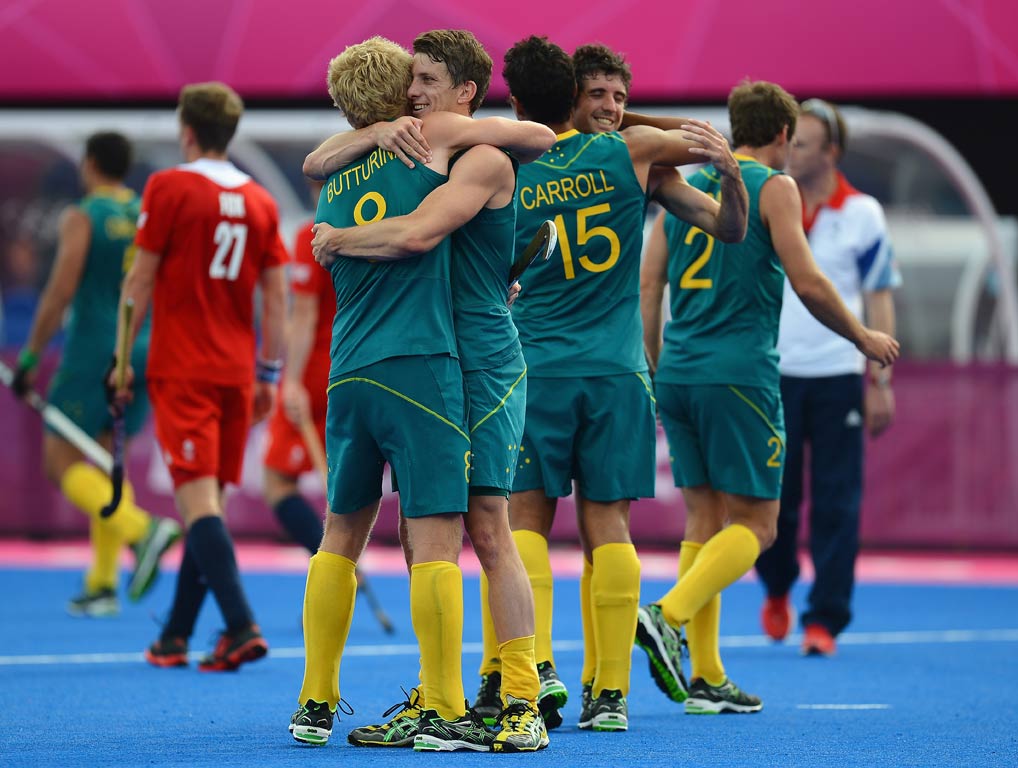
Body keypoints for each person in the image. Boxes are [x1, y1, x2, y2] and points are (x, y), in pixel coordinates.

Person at [288, 35, 552, 753]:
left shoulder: (469, 151)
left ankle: (520, 693)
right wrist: (372, 135)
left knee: (487, 525)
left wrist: (337, 236)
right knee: (425, 533)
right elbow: (328, 162)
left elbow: (420, 229)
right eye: (410, 82)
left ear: (466, 91)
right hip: (428, 363)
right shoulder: (408, 145)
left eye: (428, 81)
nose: (415, 95)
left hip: (475, 364)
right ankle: (445, 698)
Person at [495, 35, 749, 732]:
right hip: (613, 372)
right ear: (573, 99)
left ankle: (538, 670)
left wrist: (722, 179)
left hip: (537, 369)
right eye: (599, 95)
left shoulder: (516, 164)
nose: (612, 107)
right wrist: (725, 170)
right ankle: (607, 693)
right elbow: (727, 222)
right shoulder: (630, 156)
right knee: (604, 527)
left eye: (620, 97)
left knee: (528, 523)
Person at [636, 81, 899, 714]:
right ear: (781, 136)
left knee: (703, 518)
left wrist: (656, 365)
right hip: (741, 372)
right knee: (758, 523)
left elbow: (649, 283)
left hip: (680, 370)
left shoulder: (684, 187)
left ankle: (705, 677)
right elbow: (807, 281)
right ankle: (667, 615)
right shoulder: (772, 186)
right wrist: (862, 335)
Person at [112, 82, 289, 672]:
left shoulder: (168, 187)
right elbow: (276, 298)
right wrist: (270, 371)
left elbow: (138, 282)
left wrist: (119, 361)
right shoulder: (263, 201)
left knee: (199, 504)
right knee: (204, 502)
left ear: (187, 130)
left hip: (183, 368)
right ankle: (176, 636)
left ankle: (240, 625)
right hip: (239, 371)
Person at [11, 131, 180, 616]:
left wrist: (29, 356)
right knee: (107, 460)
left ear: (89, 164)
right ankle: (103, 584)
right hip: (141, 345)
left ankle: (142, 530)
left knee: (60, 462)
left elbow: (61, 290)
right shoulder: (142, 212)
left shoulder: (85, 215)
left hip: (92, 349)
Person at [755, 99, 900, 657]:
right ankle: (776, 585)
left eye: (804, 143)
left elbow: (880, 296)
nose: (791, 151)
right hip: (775, 374)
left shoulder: (862, 213)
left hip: (839, 374)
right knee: (775, 500)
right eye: (789, 142)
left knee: (838, 501)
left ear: (832, 152)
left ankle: (824, 620)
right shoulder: (771, 198)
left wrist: (880, 381)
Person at [262, 183, 332, 557]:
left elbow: (305, 315)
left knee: (277, 482)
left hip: (317, 372)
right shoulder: (377, 227)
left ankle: (331, 568)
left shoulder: (314, 235)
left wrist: (290, 382)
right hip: (360, 367)